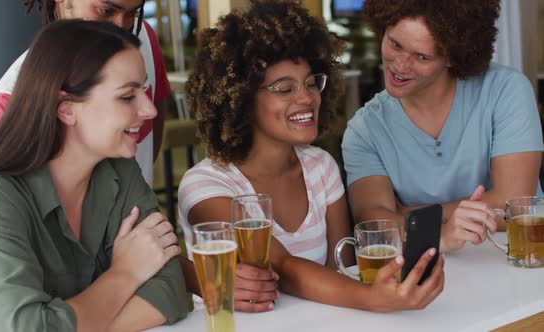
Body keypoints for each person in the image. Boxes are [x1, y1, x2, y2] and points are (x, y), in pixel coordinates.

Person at [179, 0, 444, 312]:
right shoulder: (205, 186)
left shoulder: (320, 166)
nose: (306, 98)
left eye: (309, 83)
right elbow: (281, 267)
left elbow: (342, 270)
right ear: (242, 99)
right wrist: (373, 299)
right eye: (284, 88)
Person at [0, 20, 188, 331]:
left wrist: (65, 323)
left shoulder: (120, 170)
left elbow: (172, 291)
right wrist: (126, 274)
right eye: (127, 96)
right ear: (66, 109)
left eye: (144, 90)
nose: (150, 110)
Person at [342, 0, 544, 253]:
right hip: (429, 275)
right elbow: (376, 227)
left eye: (421, 57)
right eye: (395, 44)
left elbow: (514, 206)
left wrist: (411, 216)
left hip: (518, 262)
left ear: (451, 57)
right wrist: (442, 233)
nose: (400, 66)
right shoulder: (364, 130)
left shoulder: (506, 90)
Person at [0, 0, 169, 184]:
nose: (122, 28)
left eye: (133, 13)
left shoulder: (143, 39)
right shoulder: (15, 94)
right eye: (106, 11)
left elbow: (151, 139)